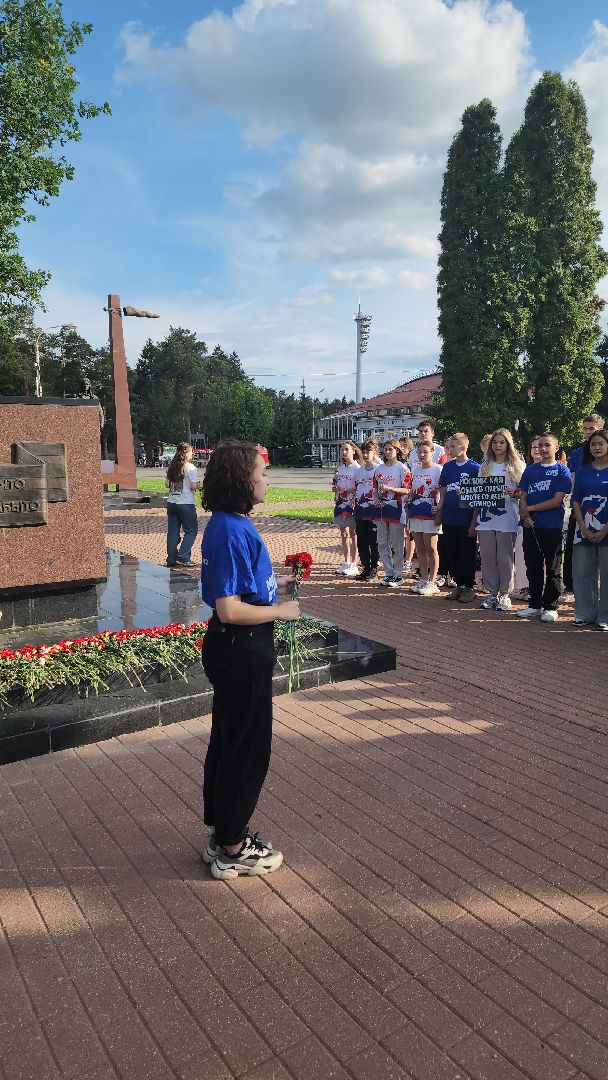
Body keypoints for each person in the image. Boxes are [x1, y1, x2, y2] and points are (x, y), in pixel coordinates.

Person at [199, 440, 301, 879]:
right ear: (241, 479)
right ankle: (233, 847)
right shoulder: (231, 528)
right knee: (247, 747)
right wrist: (281, 609)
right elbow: (230, 608)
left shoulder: (231, 523)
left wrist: (277, 582)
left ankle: (225, 832)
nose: (266, 479)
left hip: (238, 646)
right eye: (261, 472)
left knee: (230, 739)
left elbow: (244, 586)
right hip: (242, 645)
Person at [516, 433, 571, 622]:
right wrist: (524, 513)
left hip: (552, 527)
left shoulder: (562, 471)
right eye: (540, 445)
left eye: (547, 445)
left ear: (556, 448)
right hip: (530, 526)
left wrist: (529, 509)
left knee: (554, 569)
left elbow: (556, 501)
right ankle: (535, 604)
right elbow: (523, 494)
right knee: (533, 566)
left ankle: (551, 606)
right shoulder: (530, 470)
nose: (543, 449)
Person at [471, 428, 524, 612]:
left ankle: (504, 593)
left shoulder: (518, 466)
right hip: (486, 518)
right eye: (495, 442)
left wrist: (515, 493)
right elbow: (477, 492)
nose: (498, 445)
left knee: (505, 557)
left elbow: (524, 493)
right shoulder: (485, 466)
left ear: (508, 444)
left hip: (507, 517)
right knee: (487, 557)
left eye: (502, 442)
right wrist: (466, 494)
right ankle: (492, 592)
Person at [435, 433, 480, 603]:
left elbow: (477, 497)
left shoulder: (475, 469)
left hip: (466, 518)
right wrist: (439, 510)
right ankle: (459, 584)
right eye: (448, 447)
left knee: (467, 554)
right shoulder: (447, 467)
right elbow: (444, 492)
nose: (450, 450)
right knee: (452, 553)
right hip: (449, 517)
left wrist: (474, 521)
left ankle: (469, 587)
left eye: (453, 447)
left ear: (463, 447)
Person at [563, 413, 605, 593]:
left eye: (592, 429)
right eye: (585, 429)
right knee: (574, 551)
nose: (588, 433)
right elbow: (572, 481)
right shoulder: (577, 453)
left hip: (603, 510)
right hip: (580, 509)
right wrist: (574, 504)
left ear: (600, 430)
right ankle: (571, 588)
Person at [571, 428, 608, 630]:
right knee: (582, 573)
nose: (597, 447)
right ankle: (585, 613)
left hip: (606, 532)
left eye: (601, 443)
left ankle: (606, 617)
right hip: (583, 531)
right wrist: (583, 528)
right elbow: (575, 501)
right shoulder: (584, 470)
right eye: (593, 444)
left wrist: (604, 530)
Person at [373, 440, 411, 587]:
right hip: (381, 511)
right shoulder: (379, 468)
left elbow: (407, 490)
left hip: (397, 510)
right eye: (386, 449)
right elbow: (375, 488)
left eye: (391, 449)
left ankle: (398, 574)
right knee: (382, 543)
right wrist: (376, 498)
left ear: (397, 450)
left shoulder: (403, 469)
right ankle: (388, 572)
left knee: (397, 544)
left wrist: (391, 489)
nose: (387, 452)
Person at [409, 441, 443, 595]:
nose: (422, 455)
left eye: (425, 452)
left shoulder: (438, 469)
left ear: (432, 452)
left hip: (430, 515)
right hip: (416, 513)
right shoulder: (415, 469)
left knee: (431, 548)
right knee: (420, 549)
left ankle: (432, 581)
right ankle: (423, 580)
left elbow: (442, 493)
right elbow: (413, 491)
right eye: (419, 452)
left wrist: (439, 509)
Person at [514, 436, 541, 597]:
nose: (537, 450)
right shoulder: (527, 470)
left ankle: (541, 588)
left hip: (545, 519)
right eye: (533, 447)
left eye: (540, 446)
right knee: (523, 553)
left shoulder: (556, 468)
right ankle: (525, 586)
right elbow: (521, 492)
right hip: (525, 517)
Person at [165, 442, 201, 568]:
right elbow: (193, 485)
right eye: (191, 451)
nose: (193, 453)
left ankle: (171, 559)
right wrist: (199, 484)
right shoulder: (190, 467)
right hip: (185, 502)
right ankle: (183, 556)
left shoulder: (172, 466)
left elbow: (167, 484)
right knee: (191, 530)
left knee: (173, 531)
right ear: (186, 453)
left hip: (171, 502)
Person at [332, 440, 362, 577]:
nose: (344, 452)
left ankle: (354, 563)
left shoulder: (357, 468)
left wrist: (347, 490)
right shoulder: (339, 469)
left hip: (352, 504)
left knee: (353, 533)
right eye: (342, 450)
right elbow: (335, 483)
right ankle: (346, 561)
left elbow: (360, 487)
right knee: (343, 533)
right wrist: (335, 490)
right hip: (340, 503)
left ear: (354, 451)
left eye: (346, 450)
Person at [354, 439, 380, 581]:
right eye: (363, 452)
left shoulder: (379, 468)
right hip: (360, 510)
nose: (365, 455)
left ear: (374, 452)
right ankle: (366, 566)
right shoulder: (359, 471)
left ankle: (374, 567)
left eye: (368, 452)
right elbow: (357, 488)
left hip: (374, 510)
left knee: (373, 541)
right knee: (362, 541)